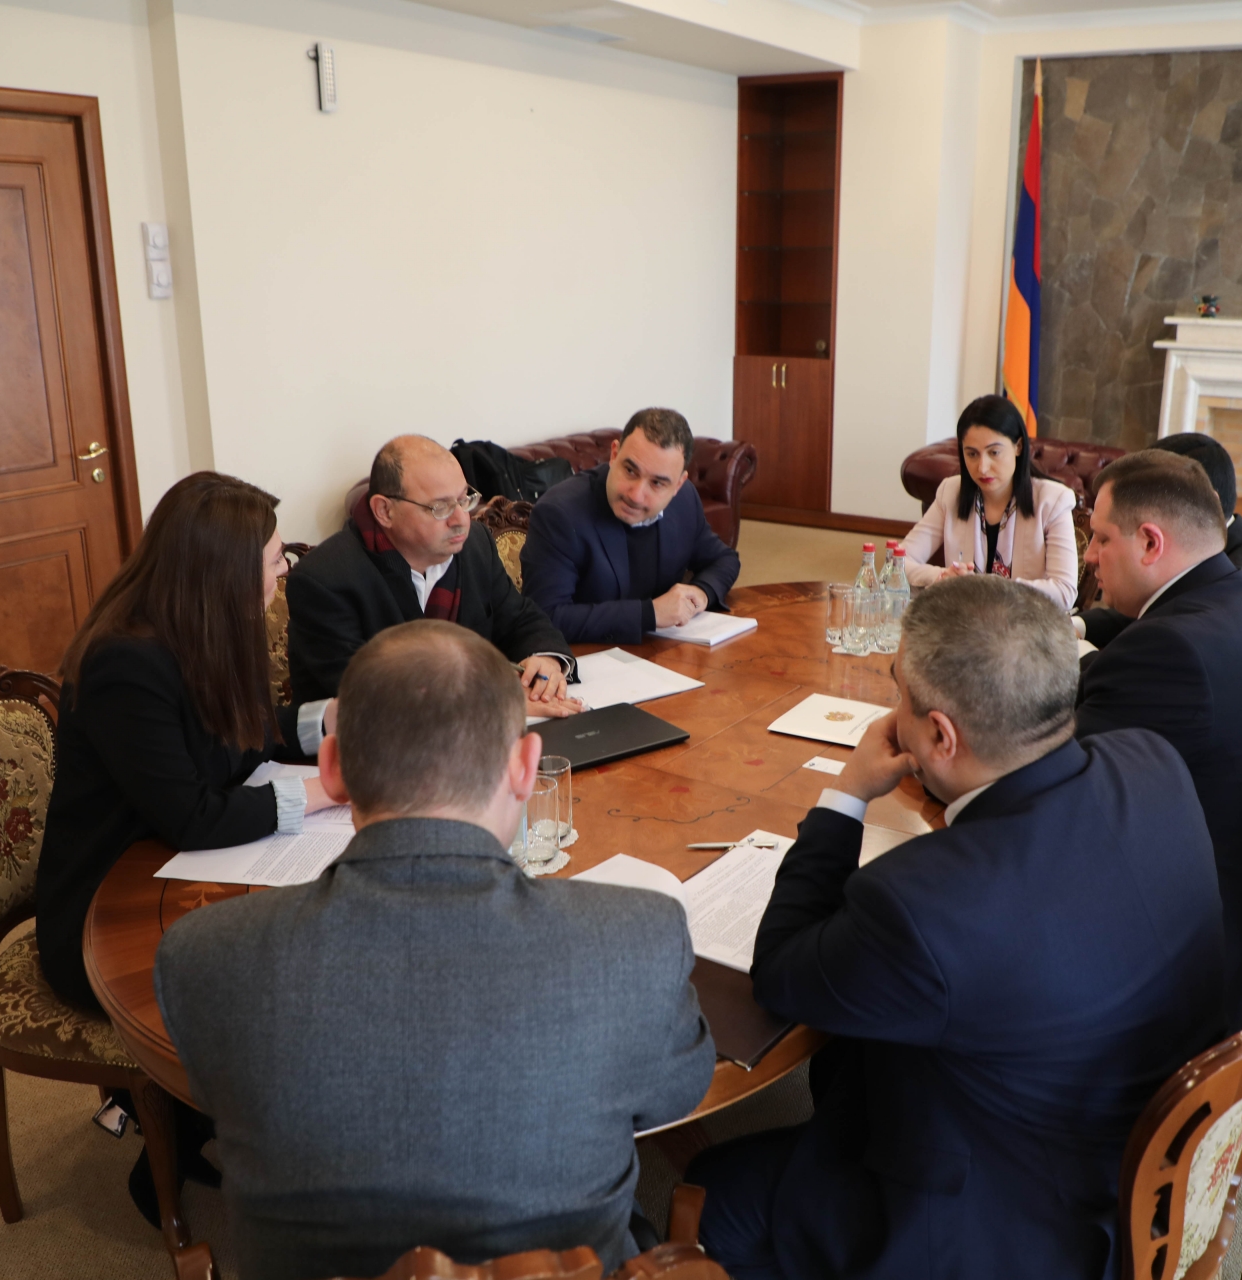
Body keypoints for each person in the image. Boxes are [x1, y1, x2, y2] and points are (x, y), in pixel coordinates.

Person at [687, 576, 1226, 1280]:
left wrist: (846, 795)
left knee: (713, 1189)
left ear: (940, 735)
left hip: (1010, 1229)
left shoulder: (919, 903)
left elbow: (783, 974)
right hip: (1139, 1148)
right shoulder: (1153, 761)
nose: (894, 712)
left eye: (899, 695)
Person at [154, 620, 716, 1280]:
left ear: (331, 768)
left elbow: (227, 1099)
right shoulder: (639, 936)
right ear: (526, 766)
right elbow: (674, 1097)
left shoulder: (201, 955)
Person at [36, 471, 340, 1223]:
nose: (285, 570)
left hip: (186, 870)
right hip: (107, 911)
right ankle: (172, 1153)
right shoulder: (125, 663)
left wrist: (334, 720)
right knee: (266, 983)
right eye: (273, 558)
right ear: (221, 573)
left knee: (315, 940)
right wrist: (328, 791)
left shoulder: (201, 625)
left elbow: (248, 730)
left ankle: (231, 1127)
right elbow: (193, 814)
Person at [1075, 450, 1242, 1029]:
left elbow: (1055, 794)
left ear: (1150, 542)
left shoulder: (1169, 648)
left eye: (1101, 539)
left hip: (1198, 962)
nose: (1089, 556)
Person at [286, 434, 580, 714]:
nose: (461, 519)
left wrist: (546, 658)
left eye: (464, 499)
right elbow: (368, 696)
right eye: (440, 507)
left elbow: (520, 619)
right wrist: (497, 702)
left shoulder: (476, 545)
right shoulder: (325, 580)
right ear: (384, 511)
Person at [1077, 434, 1242, 657]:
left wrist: (1078, 652)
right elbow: (1155, 608)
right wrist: (1077, 625)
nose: (1089, 555)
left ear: (1200, 495)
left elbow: (1159, 649)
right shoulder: (1239, 546)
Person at [520, 408, 740, 644]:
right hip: (590, 655)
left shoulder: (684, 500)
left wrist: (701, 593)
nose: (636, 495)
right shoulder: (560, 514)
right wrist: (649, 614)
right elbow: (546, 617)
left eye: (657, 483)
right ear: (614, 454)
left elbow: (724, 559)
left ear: (678, 484)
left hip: (664, 653)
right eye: (630, 470)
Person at [896, 395, 1079, 608]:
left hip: (1025, 623)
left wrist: (990, 587)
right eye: (972, 454)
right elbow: (898, 563)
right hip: (964, 621)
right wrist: (943, 577)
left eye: (994, 452)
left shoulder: (1052, 501)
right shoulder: (951, 492)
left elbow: (1064, 591)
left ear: (1018, 446)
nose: (982, 467)